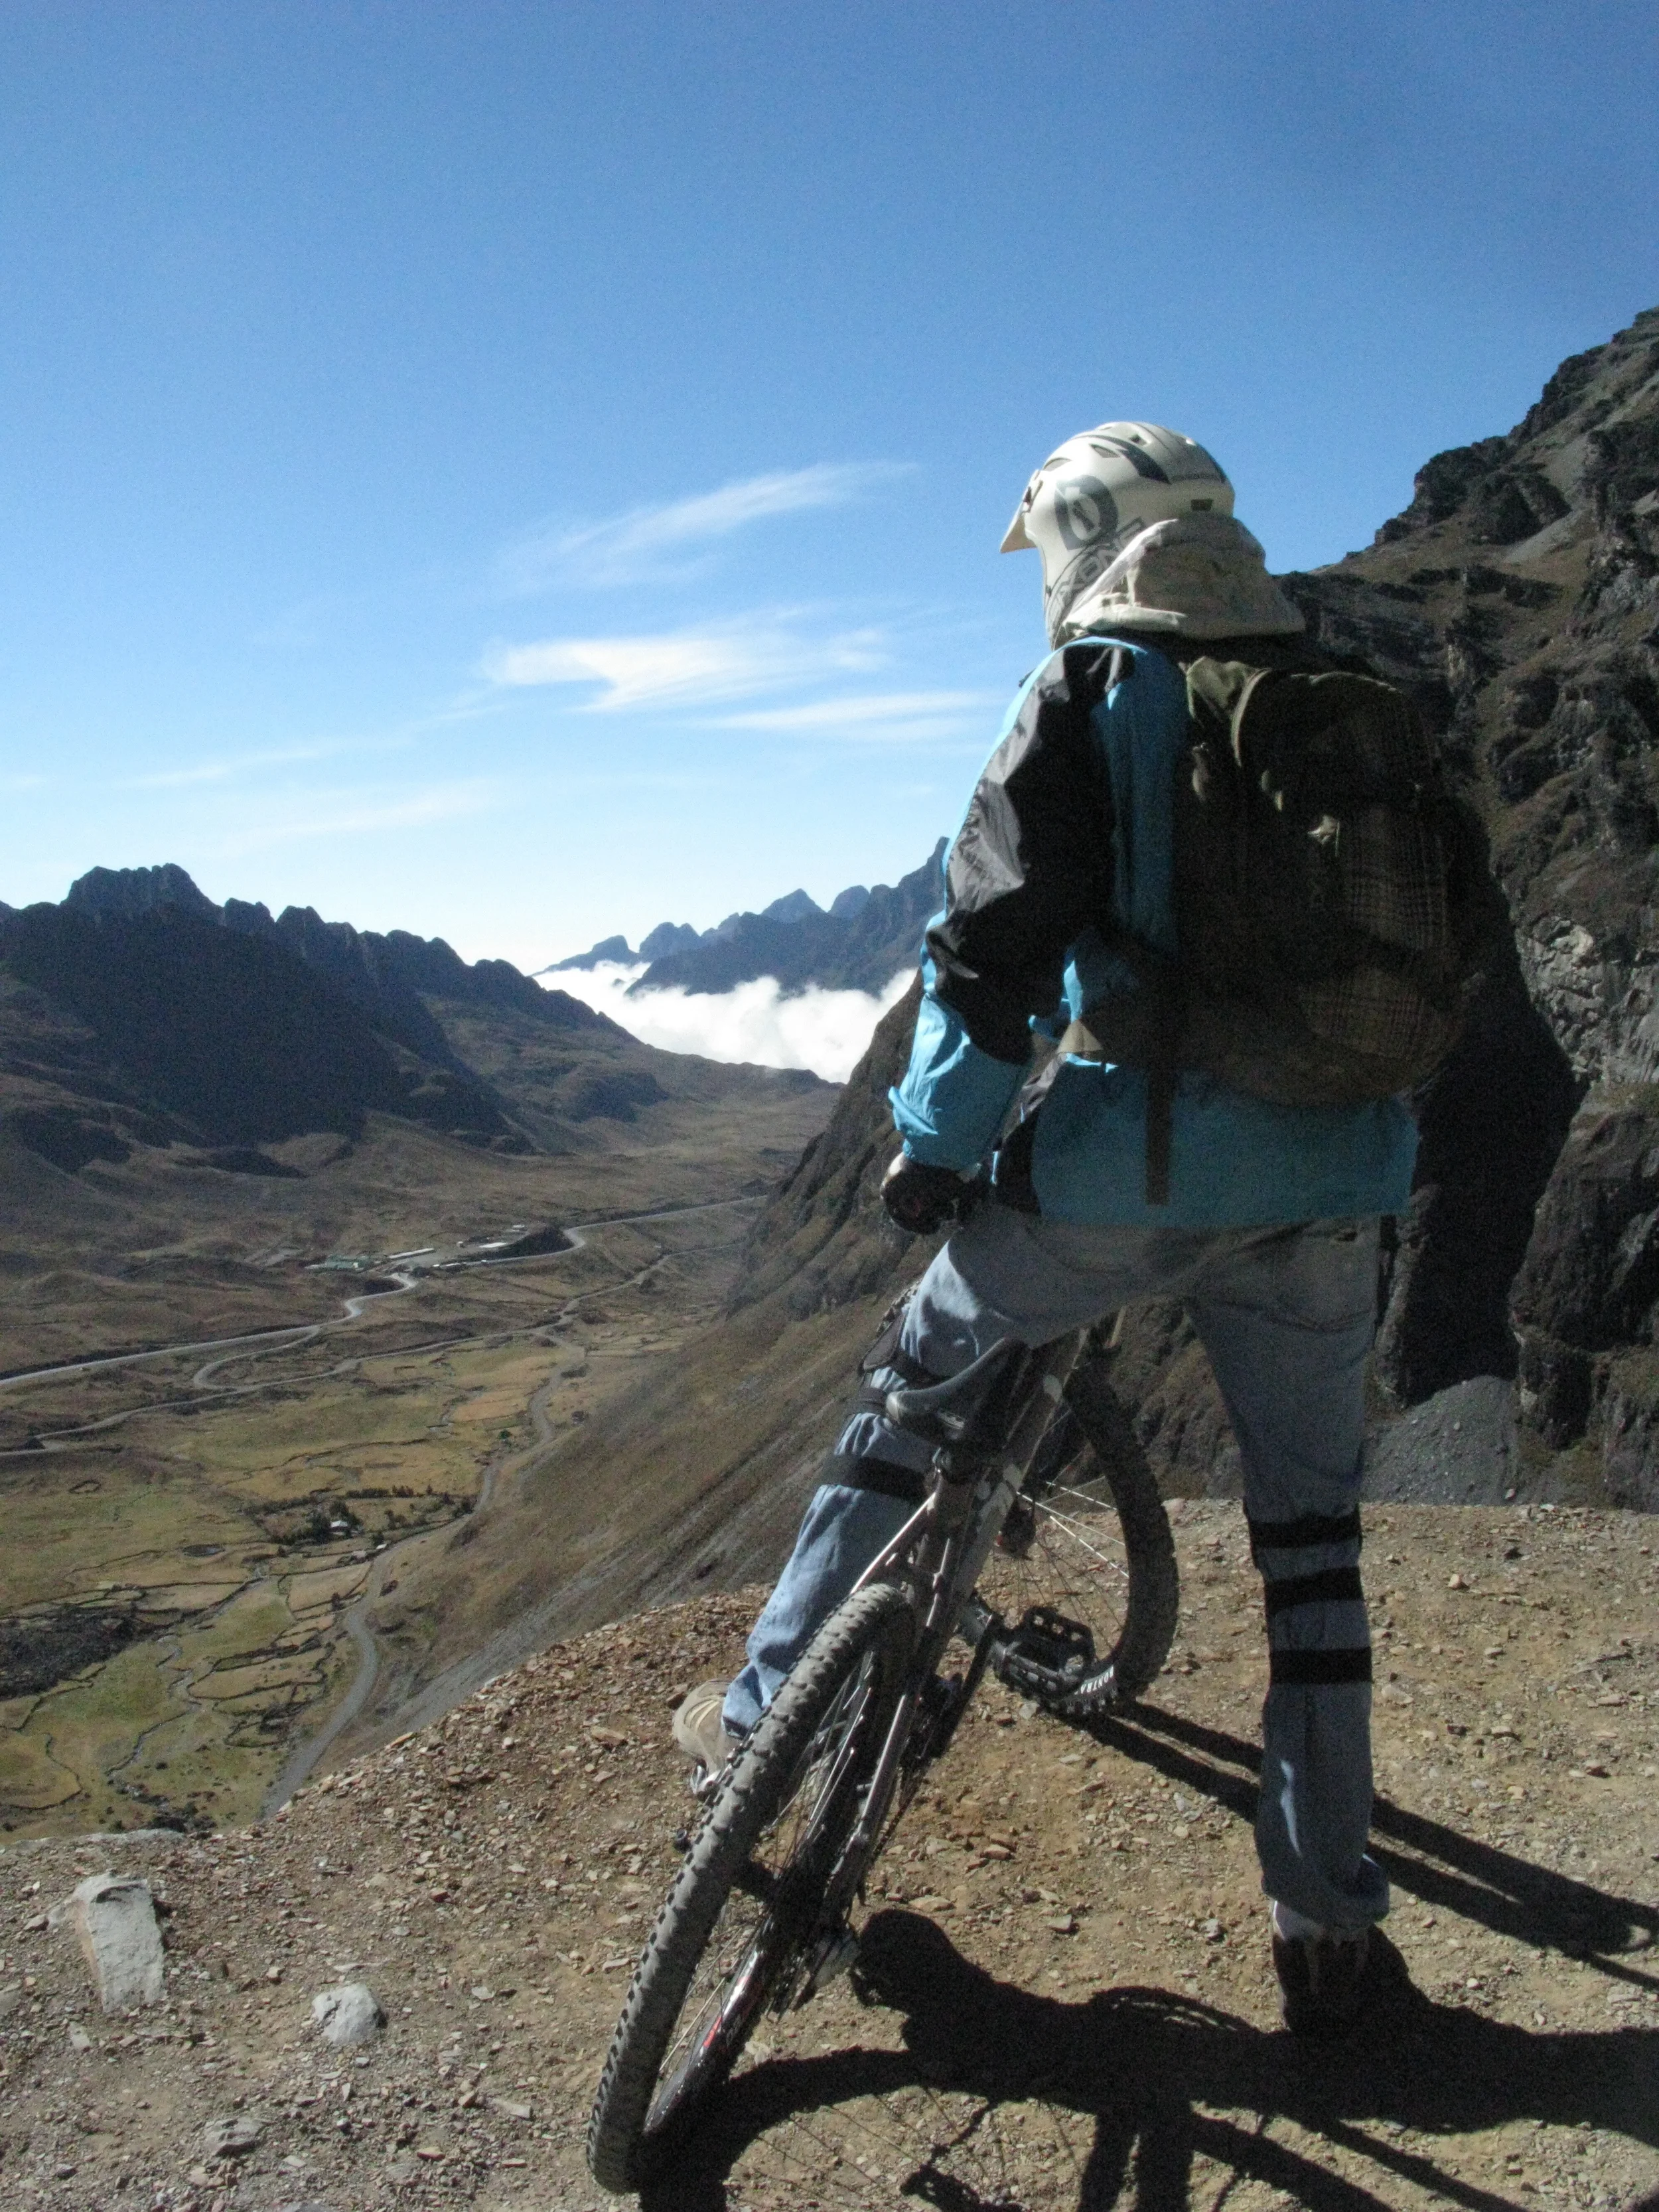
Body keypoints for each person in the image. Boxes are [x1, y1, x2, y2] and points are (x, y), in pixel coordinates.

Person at [674, 421, 1421, 2037]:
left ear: (1087, 533)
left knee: (913, 1389)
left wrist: (932, 1151)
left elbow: (989, 951)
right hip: (1336, 1187)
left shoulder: (1091, 690)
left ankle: (757, 1719)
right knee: (1311, 1552)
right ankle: (1327, 1930)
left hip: (1127, 1175)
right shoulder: (1347, 685)